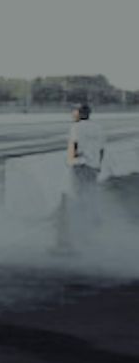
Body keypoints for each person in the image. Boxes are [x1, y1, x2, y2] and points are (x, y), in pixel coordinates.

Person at [56, 104, 106, 253]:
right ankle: (91, 226)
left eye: (75, 112)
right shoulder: (98, 128)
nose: (73, 114)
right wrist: (98, 164)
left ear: (80, 113)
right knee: (89, 194)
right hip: (93, 166)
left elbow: (74, 145)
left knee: (77, 197)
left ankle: (77, 233)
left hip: (80, 165)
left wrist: (70, 161)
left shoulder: (76, 127)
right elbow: (101, 149)